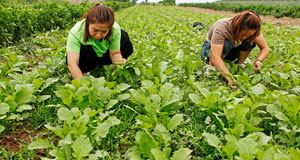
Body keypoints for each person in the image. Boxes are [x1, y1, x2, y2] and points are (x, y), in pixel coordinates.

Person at [201, 10, 269, 88]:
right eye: (243, 34)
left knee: (251, 41)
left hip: (229, 52)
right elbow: (215, 56)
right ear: (238, 26)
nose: (244, 37)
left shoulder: (253, 30)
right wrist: (230, 78)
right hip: (208, 54)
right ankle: (211, 68)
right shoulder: (222, 27)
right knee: (226, 43)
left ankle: (239, 65)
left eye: (248, 35)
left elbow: (265, 48)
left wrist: (258, 61)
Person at [66, 3, 133, 79]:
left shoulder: (114, 29)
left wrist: (119, 65)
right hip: (90, 57)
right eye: (95, 30)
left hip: (105, 56)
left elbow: (115, 53)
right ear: (87, 24)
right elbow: (72, 64)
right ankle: (83, 71)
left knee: (124, 36)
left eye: (104, 32)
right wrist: (83, 86)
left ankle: (112, 68)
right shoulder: (76, 32)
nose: (98, 35)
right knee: (75, 55)